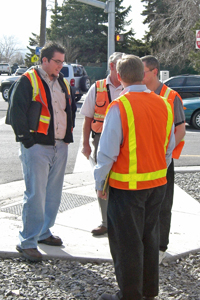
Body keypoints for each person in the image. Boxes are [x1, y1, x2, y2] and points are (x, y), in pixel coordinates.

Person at [94, 54, 175, 300]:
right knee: (149, 239)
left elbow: (106, 153)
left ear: (119, 77)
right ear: (143, 74)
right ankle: (149, 291)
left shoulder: (120, 106)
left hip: (127, 188)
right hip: (157, 185)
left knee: (126, 243)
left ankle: (129, 295)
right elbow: (168, 149)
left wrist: (100, 184)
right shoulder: (164, 103)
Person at [7, 42, 76, 262]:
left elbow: (68, 109)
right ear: (44, 60)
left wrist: (66, 139)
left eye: (62, 62)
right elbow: (16, 111)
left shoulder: (61, 81)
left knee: (53, 195)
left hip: (59, 145)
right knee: (36, 195)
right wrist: (27, 141)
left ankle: (44, 232)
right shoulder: (28, 80)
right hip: (37, 146)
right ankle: (27, 242)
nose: (61, 66)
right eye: (57, 61)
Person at [141, 55, 185, 264]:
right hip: (142, 159)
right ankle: (145, 244)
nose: (140, 76)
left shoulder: (170, 95)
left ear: (154, 71)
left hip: (163, 161)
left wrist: (165, 154)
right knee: (143, 203)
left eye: (143, 72)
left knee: (163, 203)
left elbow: (181, 129)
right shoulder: (139, 93)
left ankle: (160, 247)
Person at [80, 52, 123, 236]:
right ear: (112, 66)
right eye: (120, 65)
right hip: (100, 140)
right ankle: (105, 222)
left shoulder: (131, 86)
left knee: (122, 181)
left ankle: (122, 222)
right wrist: (85, 144)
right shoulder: (97, 88)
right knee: (102, 179)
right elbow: (88, 118)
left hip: (126, 141)